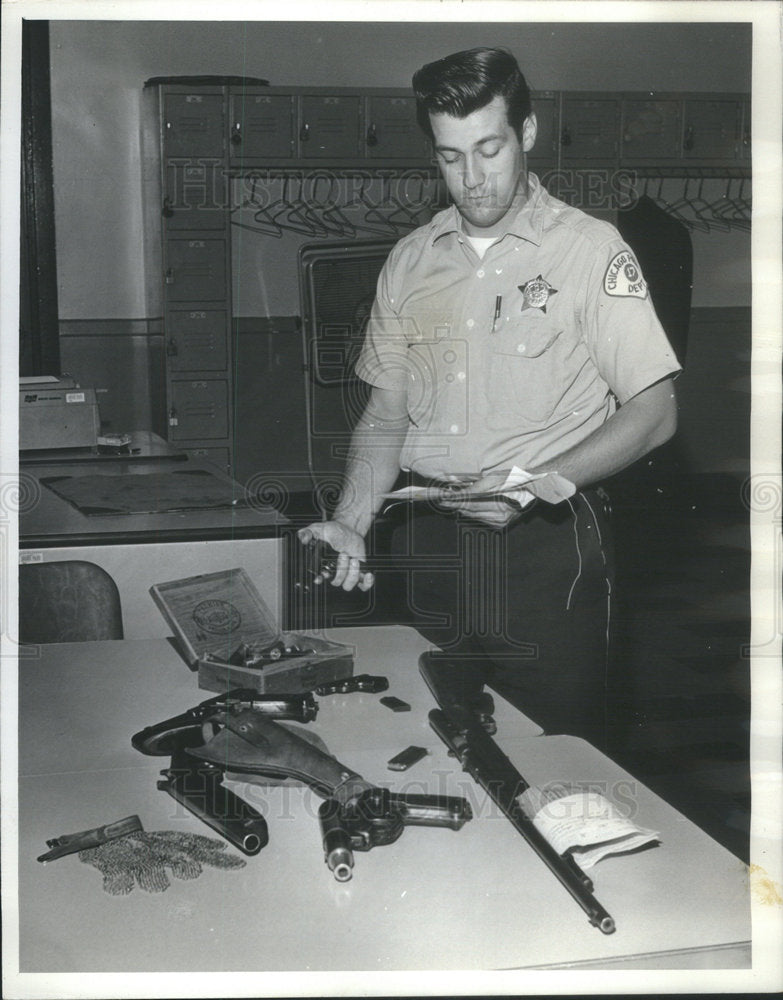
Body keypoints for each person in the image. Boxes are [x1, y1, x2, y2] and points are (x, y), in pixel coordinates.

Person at [299, 47, 681, 749]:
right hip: (427, 544)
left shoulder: (591, 252)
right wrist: (353, 519)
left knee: (552, 759)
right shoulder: (410, 260)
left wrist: (534, 486)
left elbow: (654, 415)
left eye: (488, 149)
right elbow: (385, 415)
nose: (471, 180)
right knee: (422, 743)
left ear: (526, 133)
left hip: (544, 548)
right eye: (449, 157)